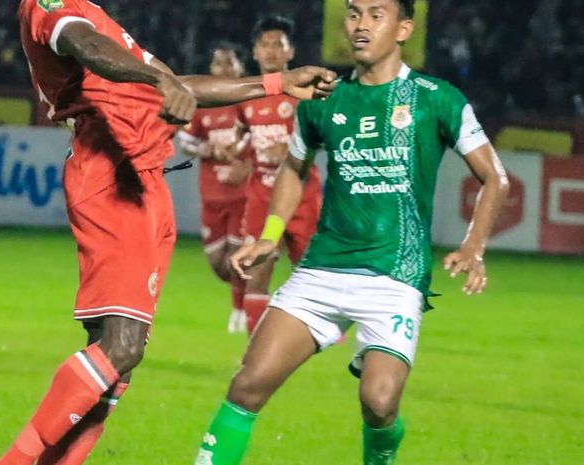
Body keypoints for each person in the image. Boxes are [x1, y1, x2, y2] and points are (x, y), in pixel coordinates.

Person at [0, 1, 336, 465]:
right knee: (121, 346)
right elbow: (85, 46)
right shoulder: (51, 5)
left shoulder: (98, 15)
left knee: (118, 360)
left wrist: (274, 84)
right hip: (111, 170)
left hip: (146, 178)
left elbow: (181, 88)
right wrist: (157, 80)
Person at [193, 1, 510, 464]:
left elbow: (494, 177)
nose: (360, 25)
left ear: (403, 28)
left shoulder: (438, 97)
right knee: (247, 385)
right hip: (322, 271)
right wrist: (270, 234)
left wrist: (474, 246)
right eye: (353, 13)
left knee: (379, 403)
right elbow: (294, 167)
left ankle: (380, 453)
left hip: (394, 276)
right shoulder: (326, 99)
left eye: (375, 15)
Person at [236, 15, 322, 335]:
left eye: (279, 45)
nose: (271, 51)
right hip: (261, 194)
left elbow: (326, 137)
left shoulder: (306, 93)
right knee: (256, 270)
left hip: (302, 193)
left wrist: (291, 148)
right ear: (255, 52)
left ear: (291, 52)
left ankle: (321, 335)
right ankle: (256, 348)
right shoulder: (245, 94)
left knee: (310, 271)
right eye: (265, 44)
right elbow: (242, 139)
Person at [178, 44, 251, 333]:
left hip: (243, 196)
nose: (224, 68)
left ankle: (240, 311)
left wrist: (247, 167)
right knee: (219, 265)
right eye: (219, 63)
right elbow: (184, 142)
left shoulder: (248, 101)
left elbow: (264, 138)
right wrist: (204, 148)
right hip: (212, 196)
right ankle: (248, 295)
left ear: (240, 68)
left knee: (236, 259)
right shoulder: (203, 105)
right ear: (211, 69)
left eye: (229, 62)